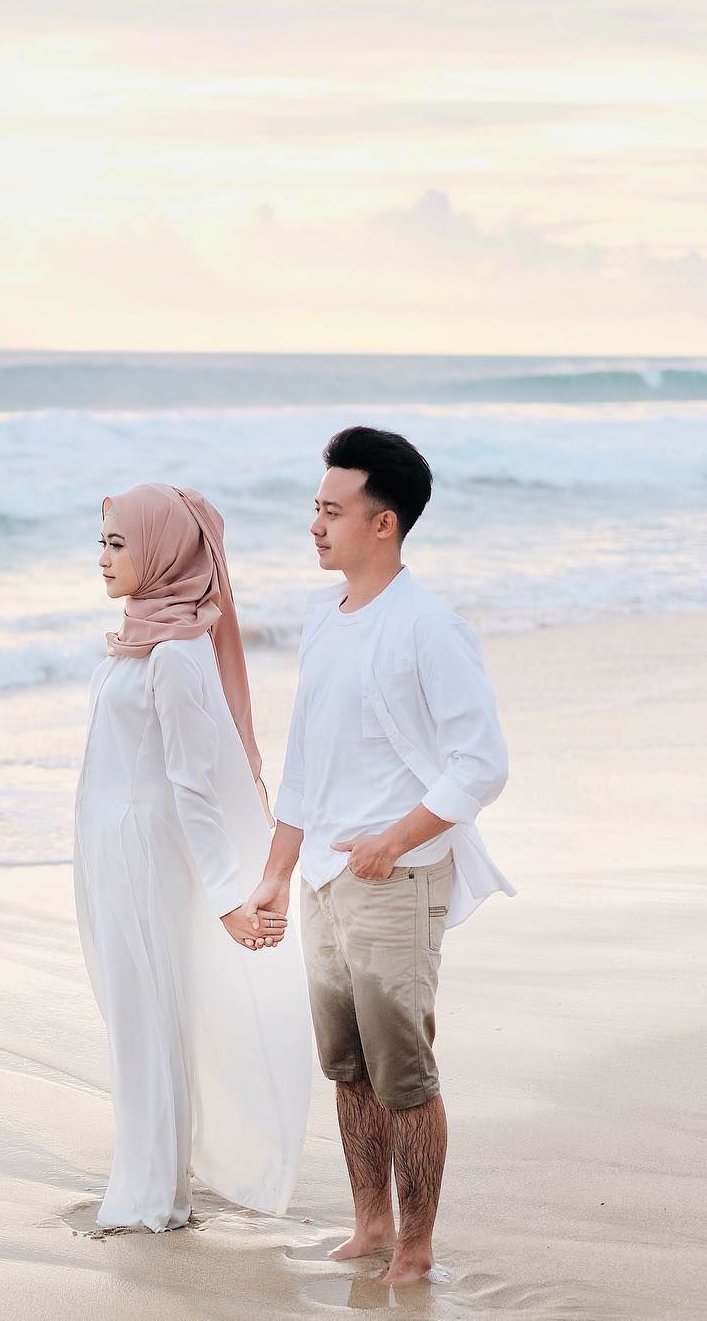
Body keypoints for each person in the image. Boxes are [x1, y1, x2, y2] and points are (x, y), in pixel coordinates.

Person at [243, 427, 514, 1286]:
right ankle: (369, 1224)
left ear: (383, 523)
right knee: (347, 1064)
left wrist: (391, 843)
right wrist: (278, 872)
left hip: (394, 877)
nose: (314, 524)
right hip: (324, 877)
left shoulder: (429, 628)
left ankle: (418, 1245)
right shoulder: (326, 617)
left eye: (332, 510)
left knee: (404, 1071)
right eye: (314, 508)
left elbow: (483, 763)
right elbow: (306, 758)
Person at [73, 482, 312, 1233]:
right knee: (131, 1012)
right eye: (103, 542)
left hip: (145, 852)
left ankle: (153, 1198)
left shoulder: (176, 652)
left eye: (120, 543)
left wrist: (226, 899)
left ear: (163, 551)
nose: (105, 558)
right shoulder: (137, 637)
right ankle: (151, 1177)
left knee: (149, 1016)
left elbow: (194, 784)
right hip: (108, 846)